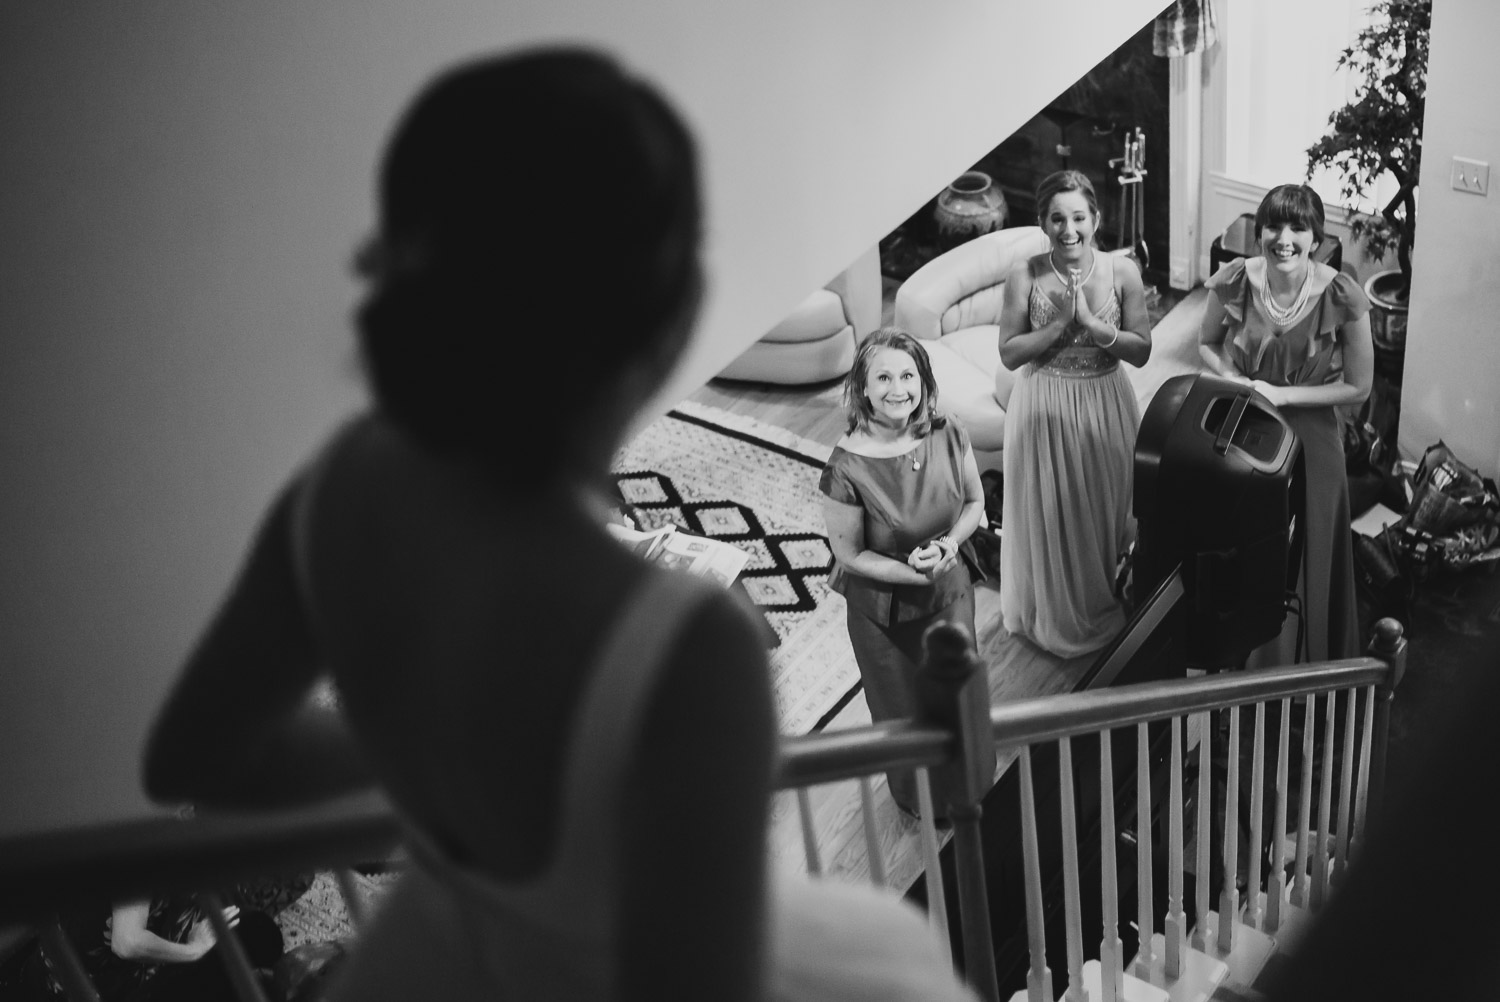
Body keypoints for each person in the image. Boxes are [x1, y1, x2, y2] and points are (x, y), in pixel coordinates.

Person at [141, 49, 980, 1002]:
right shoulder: (699, 638)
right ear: (673, 325)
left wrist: (430, 768)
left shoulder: (344, 487)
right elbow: (697, 959)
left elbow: (196, 755)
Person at [819, 328, 995, 821]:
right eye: (884, 377)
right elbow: (848, 555)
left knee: (959, 700)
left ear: (923, 380)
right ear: (863, 388)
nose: (899, 389)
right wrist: (907, 573)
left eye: (908, 375)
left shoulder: (948, 431)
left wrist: (950, 545)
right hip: (885, 614)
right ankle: (922, 801)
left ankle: (972, 784)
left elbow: (976, 503)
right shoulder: (845, 469)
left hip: (950, 592)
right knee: (905, 713)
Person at [1199, 183, 1372, 665]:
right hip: (1247, 428)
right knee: (1248, 546)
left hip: (1312, 442)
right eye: (1274, 225)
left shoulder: (1341, 293)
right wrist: (1235, 378)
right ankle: (1244, 660)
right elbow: (1206, 341)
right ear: (1260, 232)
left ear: (1315, 238)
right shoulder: (1234, 278)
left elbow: (1359, 388)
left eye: (1298, 227)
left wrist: (1284, 394)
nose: (1284, 238)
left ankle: (1302, 671)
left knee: (1308, 554)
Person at [996, 170, 1152, 657]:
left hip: (1106, 401)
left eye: (1078, 217)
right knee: (1052, 510)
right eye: (1057, 218)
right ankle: (1059, 613)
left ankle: (1109, 592)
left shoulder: (1123, 272)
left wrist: (1091, 325)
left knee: (1106, 508)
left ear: (1096, 219)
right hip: (1042, 405)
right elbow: (1009, 352)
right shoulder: (1025, 273)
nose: (1069, 229)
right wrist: (1062, 323)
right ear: (1042, 222)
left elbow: (1143, 350)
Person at [4, 896, 281, 1002]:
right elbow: (128, 942)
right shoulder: (147, 846)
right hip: (64, 980)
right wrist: (193, 951)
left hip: (106, 978)